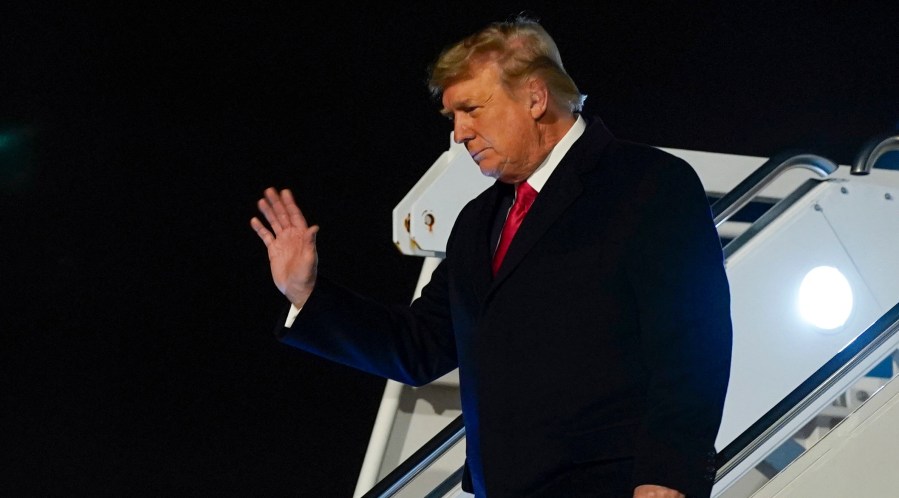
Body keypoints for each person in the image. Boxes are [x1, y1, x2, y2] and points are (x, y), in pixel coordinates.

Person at [250, 15, 732, 498]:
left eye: (472, 109)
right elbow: (419, 347)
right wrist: (305, 292)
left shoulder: (647, 183)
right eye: (452, 117)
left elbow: (692, 344)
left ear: (536, 97)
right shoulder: (478, 221)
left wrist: (668, 476)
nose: (459, 133)